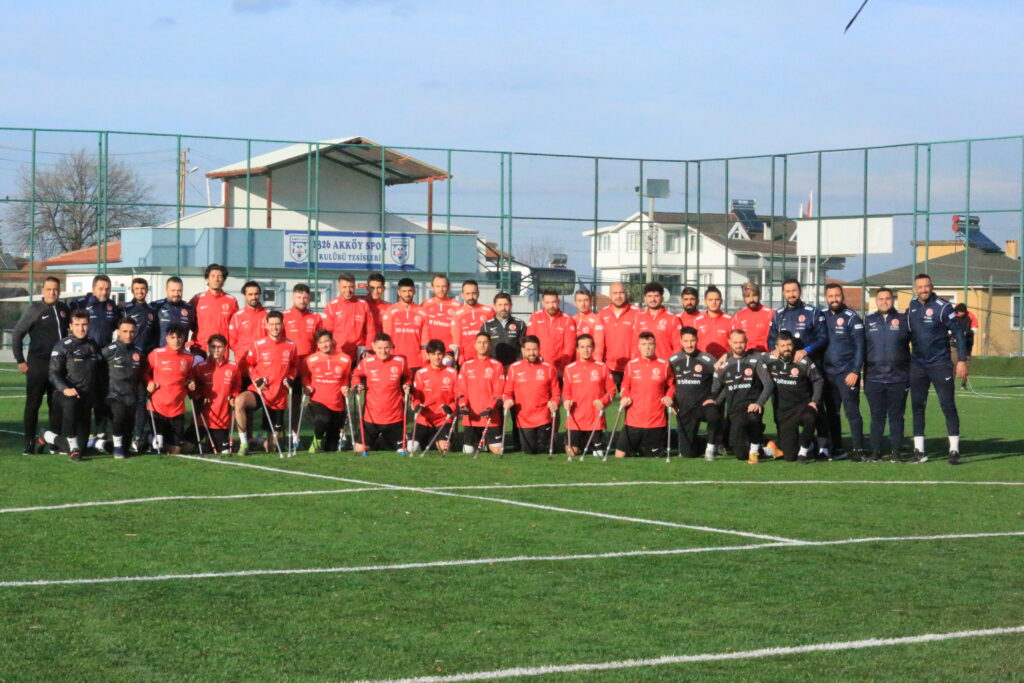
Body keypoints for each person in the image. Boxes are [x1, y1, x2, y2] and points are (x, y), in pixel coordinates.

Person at [907, 273, 968, 465]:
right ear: (915, 289)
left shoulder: (943, 307)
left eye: (926, 286)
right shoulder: (912, 306)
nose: (923, 290)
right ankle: (919, 451)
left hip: (940, 364)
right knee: (917, 407)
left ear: (932, 286)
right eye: (920, 287)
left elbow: (959, 333)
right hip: (918, 365)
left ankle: (954, 449)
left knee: (947, 405)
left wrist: (962, 360)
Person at [12, 275, 69, 455]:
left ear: (60, 291)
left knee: (56, 405)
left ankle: (55, 444)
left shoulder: (64, 309)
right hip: (38, 365)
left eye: (56, 289)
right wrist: (20, 360)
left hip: (58, 366)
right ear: (43, 290)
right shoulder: (34, 309)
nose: (52, 292)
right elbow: (17, 334)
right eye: (49, 289)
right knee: (33, 404)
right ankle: (28, 443)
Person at [234, 311, 299, 455]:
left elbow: (294, 366)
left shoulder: (291, 346)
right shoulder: (258, 345)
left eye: (277, 324)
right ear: (266, 325)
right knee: (239, 401)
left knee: (272, 448)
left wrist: (291, 377)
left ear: (282, 325)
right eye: (272, 324)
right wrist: (257, 380)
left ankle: (265, 442)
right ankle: (244, 444)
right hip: (260, 390)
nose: (275, 327)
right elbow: (249, 365)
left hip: (278, 396)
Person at [705, 330, 773, 462]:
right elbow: (724, 388)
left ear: (746, 342)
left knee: (753, 417)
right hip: (734, 411)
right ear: (729, 342)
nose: (738, 345)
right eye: (735, 342)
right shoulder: (724, 364)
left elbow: (769, 384)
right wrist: (715, 401)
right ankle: (766, 447)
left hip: (752, 406)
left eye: (741, 342)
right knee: (740, 455)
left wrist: (759, 403)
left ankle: (754, 452)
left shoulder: (755, 360)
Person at [43, 309, 101, 461]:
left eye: (84, 324)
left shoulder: (93, 344)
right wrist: (65, 389)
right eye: (77, 324)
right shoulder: (62, 345)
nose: (81, 328)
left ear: (89, 325)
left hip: (86, 398)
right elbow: (53, 373)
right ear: (70, 326)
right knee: (74, 450)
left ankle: (46, 436)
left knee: (83, 449)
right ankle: (73, 447)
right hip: (65, 396)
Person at [71, 274, 120, 450]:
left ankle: (100, 433)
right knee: (83, 396)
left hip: (103, 360)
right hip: (83, 360)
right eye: (100, 288)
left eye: (107, 289)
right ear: (93, 289)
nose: (104, 292)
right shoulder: (81, 303)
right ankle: (76, 433)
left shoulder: (112, 307)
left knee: (102, 397)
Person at [863, 287, 911, 462]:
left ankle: (896, 452)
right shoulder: (868, 321)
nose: (884, 302)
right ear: (876, 301)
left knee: (896, 416)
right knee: (876, 416)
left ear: (893, 300)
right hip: (873, 378)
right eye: (881, 299)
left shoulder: (904, 320)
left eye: (888, 298)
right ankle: (875, 452)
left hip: (898, 378)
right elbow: (861, 348)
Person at [822, 283, 865, 459]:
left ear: (842, 296)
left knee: (852, 412)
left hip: (847, 373)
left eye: (837, 295)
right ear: (826, 298)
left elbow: (860, 346)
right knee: (832, 413)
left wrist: (855, 370)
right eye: (830, 296)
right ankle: (837, 448)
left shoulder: (852, 318)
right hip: (828, 374)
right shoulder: (822, 317)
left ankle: (858, 449)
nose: (834, 299)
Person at [766, 331, 823, 464]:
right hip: (784, 413)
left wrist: (814, 401)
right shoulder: (770, 360)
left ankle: (803, 452)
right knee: (790, 457)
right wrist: (725, 356)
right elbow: (749, 356)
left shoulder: (802, 360)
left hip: (802, 407)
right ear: (776, 347)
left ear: (793, 345)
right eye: (783, 345)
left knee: (810, 416)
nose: (786, 348)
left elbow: (818, 380)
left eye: (789, 345)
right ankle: (810, 442)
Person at [615, 331, 674, 458]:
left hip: (656, 421)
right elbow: (625, 385)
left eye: (650, 344)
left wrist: (669, 396)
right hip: (633, 420)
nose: (647, 347)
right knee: (619, 455)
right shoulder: (631, 365)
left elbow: (671, 385)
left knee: (652, 457)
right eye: (644, 344)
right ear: (638, 346)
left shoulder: (664, 365)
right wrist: (625, 396)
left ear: (655, 345)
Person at [351, 333, 412, 453]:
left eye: (386, 348)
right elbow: (355, 375)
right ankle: (379, 440)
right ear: (373, 347)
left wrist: (407, 384)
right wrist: (357, 384)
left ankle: (383, 440)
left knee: (403, 450)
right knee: (359, 449)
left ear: (391, 346)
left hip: (394, 416)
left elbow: (408, 376)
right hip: (372, 416)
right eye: (379, 348)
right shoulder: (366, 363)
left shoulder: (400, 362)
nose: (383, 351)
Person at [668, 326, 721, 460]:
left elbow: (719, 378)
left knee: (714, 414)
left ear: (697, 340)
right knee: (687, 453)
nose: (689, 344)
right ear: (681, 341)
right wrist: (671, 400)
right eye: (686, 341)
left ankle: (710, 448)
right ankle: (702, 444)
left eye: (692, 340)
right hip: (684, 408)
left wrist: (713, 397)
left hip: (703, 405)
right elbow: (669, 383)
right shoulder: (673, 360)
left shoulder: (707, 359)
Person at [503, 335, 560, 454]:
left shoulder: (549, 368)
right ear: (523, 351)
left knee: (544, 450)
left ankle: (552, 437)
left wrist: (554, 402)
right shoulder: (514, 368)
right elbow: (507, 392)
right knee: (529, 451)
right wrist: (507, 400)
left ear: (539, 349)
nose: (532, 353)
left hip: (544, 417)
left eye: (534, 349)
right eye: (528, 350)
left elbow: (556, 393)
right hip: (524, 418)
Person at [146, 324, 196, 456]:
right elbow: (145, 372)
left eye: (179, 337)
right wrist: (150, 382)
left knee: (176, 451)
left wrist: (191, 382)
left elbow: (189, 376)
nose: (176, 341)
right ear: (167, 338)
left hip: (177, 409)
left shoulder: (189, 357)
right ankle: (150, 439)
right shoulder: (156, 354)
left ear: (184, 338)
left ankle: (156, 440)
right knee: (158, 446)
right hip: (158, 408)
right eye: (172, 337)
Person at [562, 334, 615, 457]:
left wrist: (604, 401)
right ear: (577, 349)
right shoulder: (569, 369)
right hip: (575, 419)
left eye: (589, 346)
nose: (586, 350)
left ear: (593, 348)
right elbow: (566, 392)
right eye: (582, 347)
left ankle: (592, 444)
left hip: (595, 418)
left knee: (598, 454)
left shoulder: (602, 367)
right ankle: (582, 445)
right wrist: (567, 401)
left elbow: (612, 391)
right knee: (571, 452)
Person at [101, 318, 147, 459]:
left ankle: (105, 445)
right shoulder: (109, 350)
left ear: (136, 333)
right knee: (119, 416)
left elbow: (143, 374)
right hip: (114, 394)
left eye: (132, 332)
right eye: (125, 331)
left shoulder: (139, 353)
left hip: (131, 396)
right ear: (118, 332)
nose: (128, 335)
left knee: (127, 432)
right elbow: (97, 368)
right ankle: (117, 447)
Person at [301, 330, 353, 452]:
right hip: (318, 401)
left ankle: (327, 445)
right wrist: (307, 386)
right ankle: (316, 441)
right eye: (321, 343)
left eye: (326, 341)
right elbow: (305, 376)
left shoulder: (345, 359)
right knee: (323, 419)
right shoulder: (310, 360)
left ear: (332, 341)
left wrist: (346, 387)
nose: (324, 345)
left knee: (331, 448)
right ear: (317, 345)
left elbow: (346, 379)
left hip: (337, 404)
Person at [456, 333, 507, 455]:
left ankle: (486, 443)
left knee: (498, 451)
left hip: (490, 417)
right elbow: (461, 390)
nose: (482, 345)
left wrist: (490, 408)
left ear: (490, 345)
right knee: (468, 451)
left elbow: (498, 391)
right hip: (471, 417)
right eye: (479, 342)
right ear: (475, 345)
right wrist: (463, 405)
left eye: (485, 342)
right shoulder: (466, 365)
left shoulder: (497, 366)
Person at [192, 334, 242, 454]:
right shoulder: (199, 367)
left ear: (225, 348)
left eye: (219, 347)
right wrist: (198, 396)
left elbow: (237, 385)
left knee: (224, 452)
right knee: (185, 448)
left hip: (221, 420)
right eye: (213, 347)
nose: (216, 350)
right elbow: (192, 387)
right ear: (208, 348)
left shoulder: (233, 367)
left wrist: (234, 395)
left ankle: (210, 444)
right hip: (202, 418)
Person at [283, 283, 322, 435]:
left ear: (309, 299)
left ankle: (304, 434)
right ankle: (285, 435)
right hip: (289, 367)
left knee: (307, 402)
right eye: (299, 297)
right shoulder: (284, 316)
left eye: (305, 298)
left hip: (308, 368)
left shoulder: (316, 317)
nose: (302, 300)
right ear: (293, 298)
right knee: (287, 402)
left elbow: (320, 343)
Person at [411, 339, 459, 454]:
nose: (436, 357)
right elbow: (415, 397)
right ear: (428, 355)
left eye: (439, 354)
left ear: (444, 355)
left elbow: (458, 397)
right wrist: (417, 406)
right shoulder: (420, 373)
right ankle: (429, 440)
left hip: (444, 418)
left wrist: (451, 408)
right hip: (425, 419)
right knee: (411, 448)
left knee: (444, 448)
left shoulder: (452, 373)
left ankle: (438, 441)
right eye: (433, 354)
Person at [323, 272, 377, 361]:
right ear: (338, 288)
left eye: (351, 287)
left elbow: (371, 329)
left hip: (359, 353)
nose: (348, 290)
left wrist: (369, 349)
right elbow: (327, 333)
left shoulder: (363, 304)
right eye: (344, 287)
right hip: (338, 353)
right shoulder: (331, 306)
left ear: (354, 287)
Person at [188, 263, 238, 356]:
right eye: (213, 276)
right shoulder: (197, 299)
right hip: (200, 348)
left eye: (219, 276)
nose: (216, 279)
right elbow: (188, 321)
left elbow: (236, 327)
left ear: (223, 280)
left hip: (220, 349)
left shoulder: (231, 301)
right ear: (207, 278)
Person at [526, 289, 577, 377]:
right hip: (538, 367)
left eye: (554, 302)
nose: (551, 306)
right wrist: (533, 365)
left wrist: (562, 368)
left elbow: (569, 347)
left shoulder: (568, 320)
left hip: (557, 370)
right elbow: (530, 343)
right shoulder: (535, 317)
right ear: (543, 303)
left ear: (558, 302)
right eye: (548, 302)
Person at [599, 282, 639, 389]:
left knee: (631, 398)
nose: (618, 296)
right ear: (610, 295)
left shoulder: (637, 313)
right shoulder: (602, 313)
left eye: (621, 293)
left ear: (626, 294)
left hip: (631, 365)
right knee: (607, 397)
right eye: (615, 293)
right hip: (609, 365)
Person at [382, 277, 428, 371]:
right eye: (404, 291)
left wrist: (425, 358)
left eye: (410, 291)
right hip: (396, 360)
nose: (407, 294)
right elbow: (387, 337)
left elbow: (425, 339)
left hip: (417, 361)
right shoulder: (390, 311)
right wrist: (389, 357)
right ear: (399, 292)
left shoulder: (422, 312)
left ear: (414, 291)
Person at [633, 282, 681, 363]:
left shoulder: (672, 319)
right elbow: (635, 344)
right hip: (643, 365)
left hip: (665, 365)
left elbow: (678, 346)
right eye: (650, 296)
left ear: (662, 298)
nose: (653, 299)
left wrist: (671, 364)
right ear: (645, 298)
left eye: (656, 296)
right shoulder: (639, 318)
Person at [451, 279, 495, 363]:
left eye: (474, 293)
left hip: (486, 359)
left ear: (478, 293)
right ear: (463, 295)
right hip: (466, 359)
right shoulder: (458, 314)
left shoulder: (488, 311)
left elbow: (494, 336)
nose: (471, 297)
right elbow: (456, 340)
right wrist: (460, 358)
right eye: (468, 294)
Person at [480, 292, 526, 367]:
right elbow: (482, 348)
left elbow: (524, 347)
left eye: (506, 304)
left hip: (514, 366)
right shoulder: (487, 325)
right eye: (500, 305)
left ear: (511, 306)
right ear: (494, 307)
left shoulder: (520, 324)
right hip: (493, 367)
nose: (503, 308)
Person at [420, 274, 460, 362]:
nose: (441, 289)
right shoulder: (425, 305)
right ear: (432, 287)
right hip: (431, 349)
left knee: (446, 364)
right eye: (438, 286)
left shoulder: (457, 305)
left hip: (449, 350)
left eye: (444, 286)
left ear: (448, 287)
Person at [228, 280, 269, 364]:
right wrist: (242, 352)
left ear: (260, 294)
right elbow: (232, 341)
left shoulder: (268, 315)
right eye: (250, 294)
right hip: (243, 362)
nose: (254, 297)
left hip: (262, 361)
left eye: (256, 294)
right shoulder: (237, 316)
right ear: (244, 296)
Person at [692, 285, 734, 359]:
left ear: (721, 301)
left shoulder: (730, 320)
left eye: (717, 299)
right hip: (702, 362)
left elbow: (735, 343)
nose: (714, 302)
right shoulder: (697, 320)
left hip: (724, 361)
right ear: (705, 301)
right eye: (710, 300)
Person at [732, 282, 774, 353]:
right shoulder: (739, 316)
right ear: (744, 298)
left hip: (764, 354)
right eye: (747, 296)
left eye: (754, 295)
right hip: (745, 355)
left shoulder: (770, 314)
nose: (751, 299)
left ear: (759, 296)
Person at [152, 276, 194, 348]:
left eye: (179, 290)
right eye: (173, 290)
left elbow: (198, 330)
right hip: (161, 352)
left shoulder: (189, 309)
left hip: (180, 353)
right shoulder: (156, 307)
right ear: (166, 290)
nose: (176, 294)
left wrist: (193, 344)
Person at [121, 277, 159, 355]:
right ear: (132, 291)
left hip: (147, 353)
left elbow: (156, 334)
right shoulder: (125, 309)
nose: (140, 291)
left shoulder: (152, 311)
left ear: (147, 291)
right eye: (137, 288)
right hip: (128, 353)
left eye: (142, 288)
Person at [572, 289, 605, 361]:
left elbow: (599, 344)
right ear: (575, 303)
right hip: (575, 362)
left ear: (591, 301)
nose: (583, 304)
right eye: (580, 301)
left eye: (586, 300)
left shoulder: (596, 320)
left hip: (590, 361)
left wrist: (597, 362)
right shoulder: (572, 320)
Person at [953, 303, 978, 388]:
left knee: (966, 363)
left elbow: (975, 329)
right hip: (954, 344)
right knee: (953, 363)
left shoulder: (971, 316)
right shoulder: (952, 315)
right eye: (958, 312)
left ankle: (963, 383)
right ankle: (951, 383)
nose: (960, 314)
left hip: (967, 344)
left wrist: (965, 333)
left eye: (961, 312)